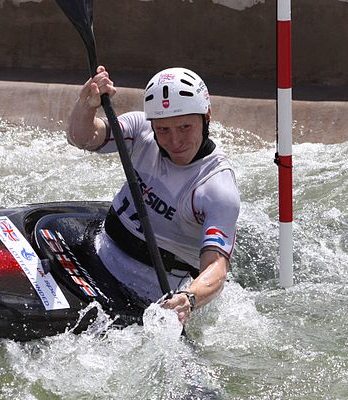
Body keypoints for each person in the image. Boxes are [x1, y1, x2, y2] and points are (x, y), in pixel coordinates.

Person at [67, 65, 240, 325]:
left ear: (207, 116)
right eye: (164, 130)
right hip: (97, 251)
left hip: (146, 295)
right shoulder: (141, 130)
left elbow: (216, 267)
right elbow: (82, 138)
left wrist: (189, 298)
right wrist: (86, 104)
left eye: (184, 127)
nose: (175, 141)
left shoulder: (217, 188)